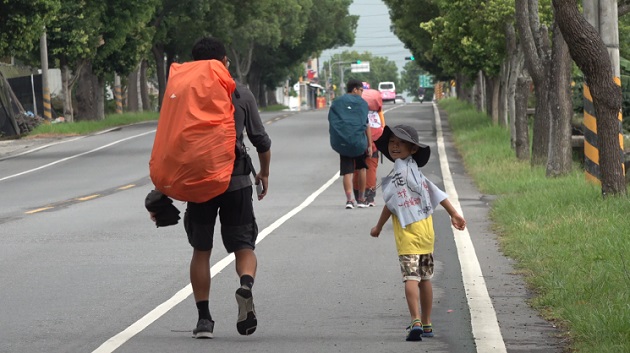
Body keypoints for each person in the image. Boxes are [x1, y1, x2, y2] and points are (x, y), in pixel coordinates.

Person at [149, 37, 272, 339]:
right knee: (244, 245)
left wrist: (165, 186)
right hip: (237, 181)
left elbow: (171, 142)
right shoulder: (239, 92)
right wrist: (264, 173)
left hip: (198, 183)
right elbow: (261, 141)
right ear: (224, 62)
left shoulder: (180, 93)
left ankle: (204, 320)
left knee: (201, 250)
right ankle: (245, 286)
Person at [369, 124, 465, 341]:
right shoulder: (415, 171)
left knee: (410, 278)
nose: (394, 145)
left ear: (412, 149)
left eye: (400, 142)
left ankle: (416, 320)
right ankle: (428, 323)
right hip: (426, 233)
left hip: (408, 234)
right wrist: (454, 214)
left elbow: (390, 205)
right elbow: (437, 193)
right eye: (392, 142)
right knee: (425, 279)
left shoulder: (400, 174)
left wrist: (378, 226)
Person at [328, 79, 372, 209]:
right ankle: (361, 199)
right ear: (355, 89)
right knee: (362, 168)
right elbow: (366, 125)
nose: (362, 94)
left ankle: (349, 200)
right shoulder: (362, 104)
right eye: (361, 91)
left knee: (347, 171)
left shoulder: (337, 102)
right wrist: (369, 144)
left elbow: (333, 122)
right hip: (359, 142)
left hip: (343, 142)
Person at [353, 89, 385, 207]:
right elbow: (383, 126)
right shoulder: (378, 113)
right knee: (371, 168)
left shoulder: (356, 113)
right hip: (374, 143)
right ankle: (370, 197)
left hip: (358, 142)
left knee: (357, 169)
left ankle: (358, 195)